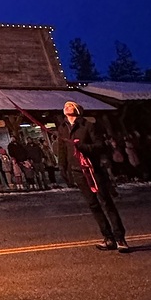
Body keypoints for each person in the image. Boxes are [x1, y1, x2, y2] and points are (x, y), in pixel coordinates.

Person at [56, 101, 129, 252]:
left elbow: (100, 145)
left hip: (92, 168)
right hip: (77, 170)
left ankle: (120, 238)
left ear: (77, 110)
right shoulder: (62, 129)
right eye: (65, 106)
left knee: (106, 202)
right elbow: (62, 149)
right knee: (93, 204)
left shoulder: (87, 126)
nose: (66, 107)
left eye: (70, 105)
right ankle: (108, 238)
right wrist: (62, 167)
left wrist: (83, 147)